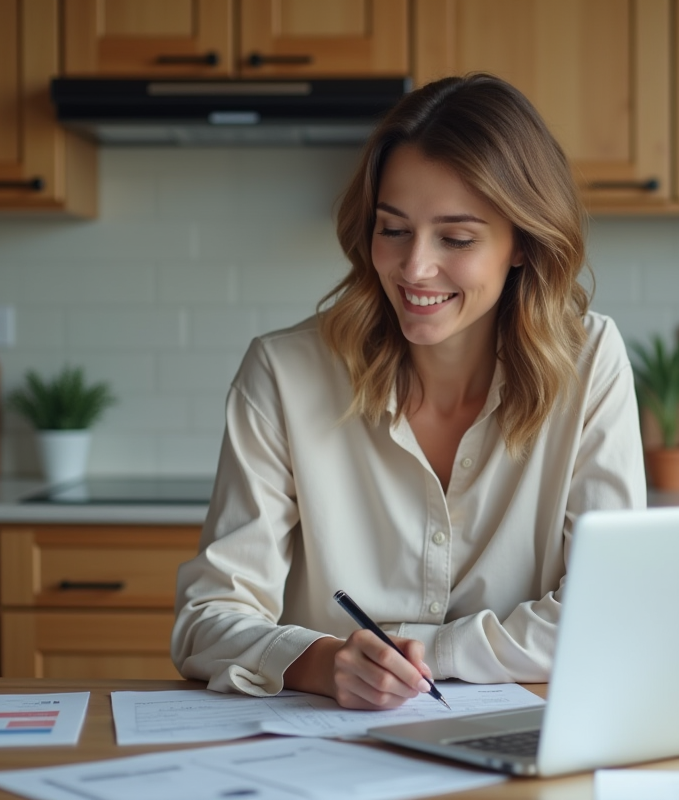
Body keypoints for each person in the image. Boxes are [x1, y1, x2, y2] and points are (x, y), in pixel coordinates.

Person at [171, 73, 647, 711]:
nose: (415, 267)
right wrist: (322, 662)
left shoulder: (590, 362)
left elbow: (611, 610)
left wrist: (431, 651)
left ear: (522, 245)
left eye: (456, 238)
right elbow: (205, 619)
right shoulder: (283, 374)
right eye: (393, 229)